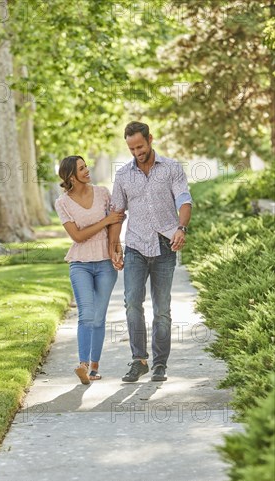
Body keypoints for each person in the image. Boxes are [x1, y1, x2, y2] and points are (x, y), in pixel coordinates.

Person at [108, 121, 193, 383]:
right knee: (132, 302)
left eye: (140, 146)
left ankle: (159, 364)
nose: (136, 152)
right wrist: (115, 246)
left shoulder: (171, 168)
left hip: (165, 244)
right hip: (135, 244)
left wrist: (181, 228)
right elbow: (117, 214)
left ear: (150, 139)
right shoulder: (123, 176)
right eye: (132, 148)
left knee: (162, 308)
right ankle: (139, 360)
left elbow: (184, 200)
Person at [55, 156, 124, 385]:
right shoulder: (62, 203)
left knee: (99, 317)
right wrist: (105, 221)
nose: (87, 170)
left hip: (105, 263)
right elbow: (77, 236)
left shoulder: (103, 193)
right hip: (80, 264)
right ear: (71, 177)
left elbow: (117, 219)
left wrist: (116, 248)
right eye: (82, 168)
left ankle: (94, 367)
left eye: (86, 166)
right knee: (86, 314)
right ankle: (83, 365)